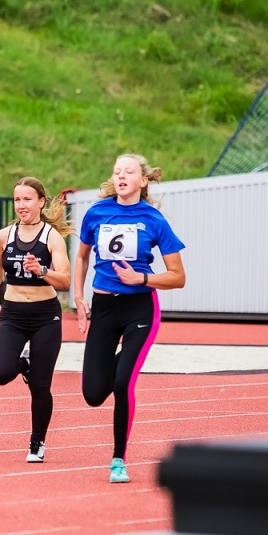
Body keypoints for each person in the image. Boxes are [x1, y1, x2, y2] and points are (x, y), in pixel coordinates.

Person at [72, 153, 187, 484]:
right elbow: (81, 257)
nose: (121, 176)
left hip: (139, 308)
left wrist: (143, 279)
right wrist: (78, 297)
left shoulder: (154, 220)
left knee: (122, 383)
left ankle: (118, 459)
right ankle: (121, 365)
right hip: (104, 307)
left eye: (129, 172)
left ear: (143, 180)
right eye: (117, 171)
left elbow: (178, 276)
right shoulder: (96, 213)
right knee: (94, 394)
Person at [0, 177, 72, 463]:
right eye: (17, 200)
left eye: (27, 199)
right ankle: (23, 363)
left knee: (40, 385)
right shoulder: (4, 235)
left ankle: (37, 442)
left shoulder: (51, 237)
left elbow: (65, 279)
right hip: (12, 314)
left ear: (40, 202)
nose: (21, 205)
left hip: (45, 316)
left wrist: (42, 270)